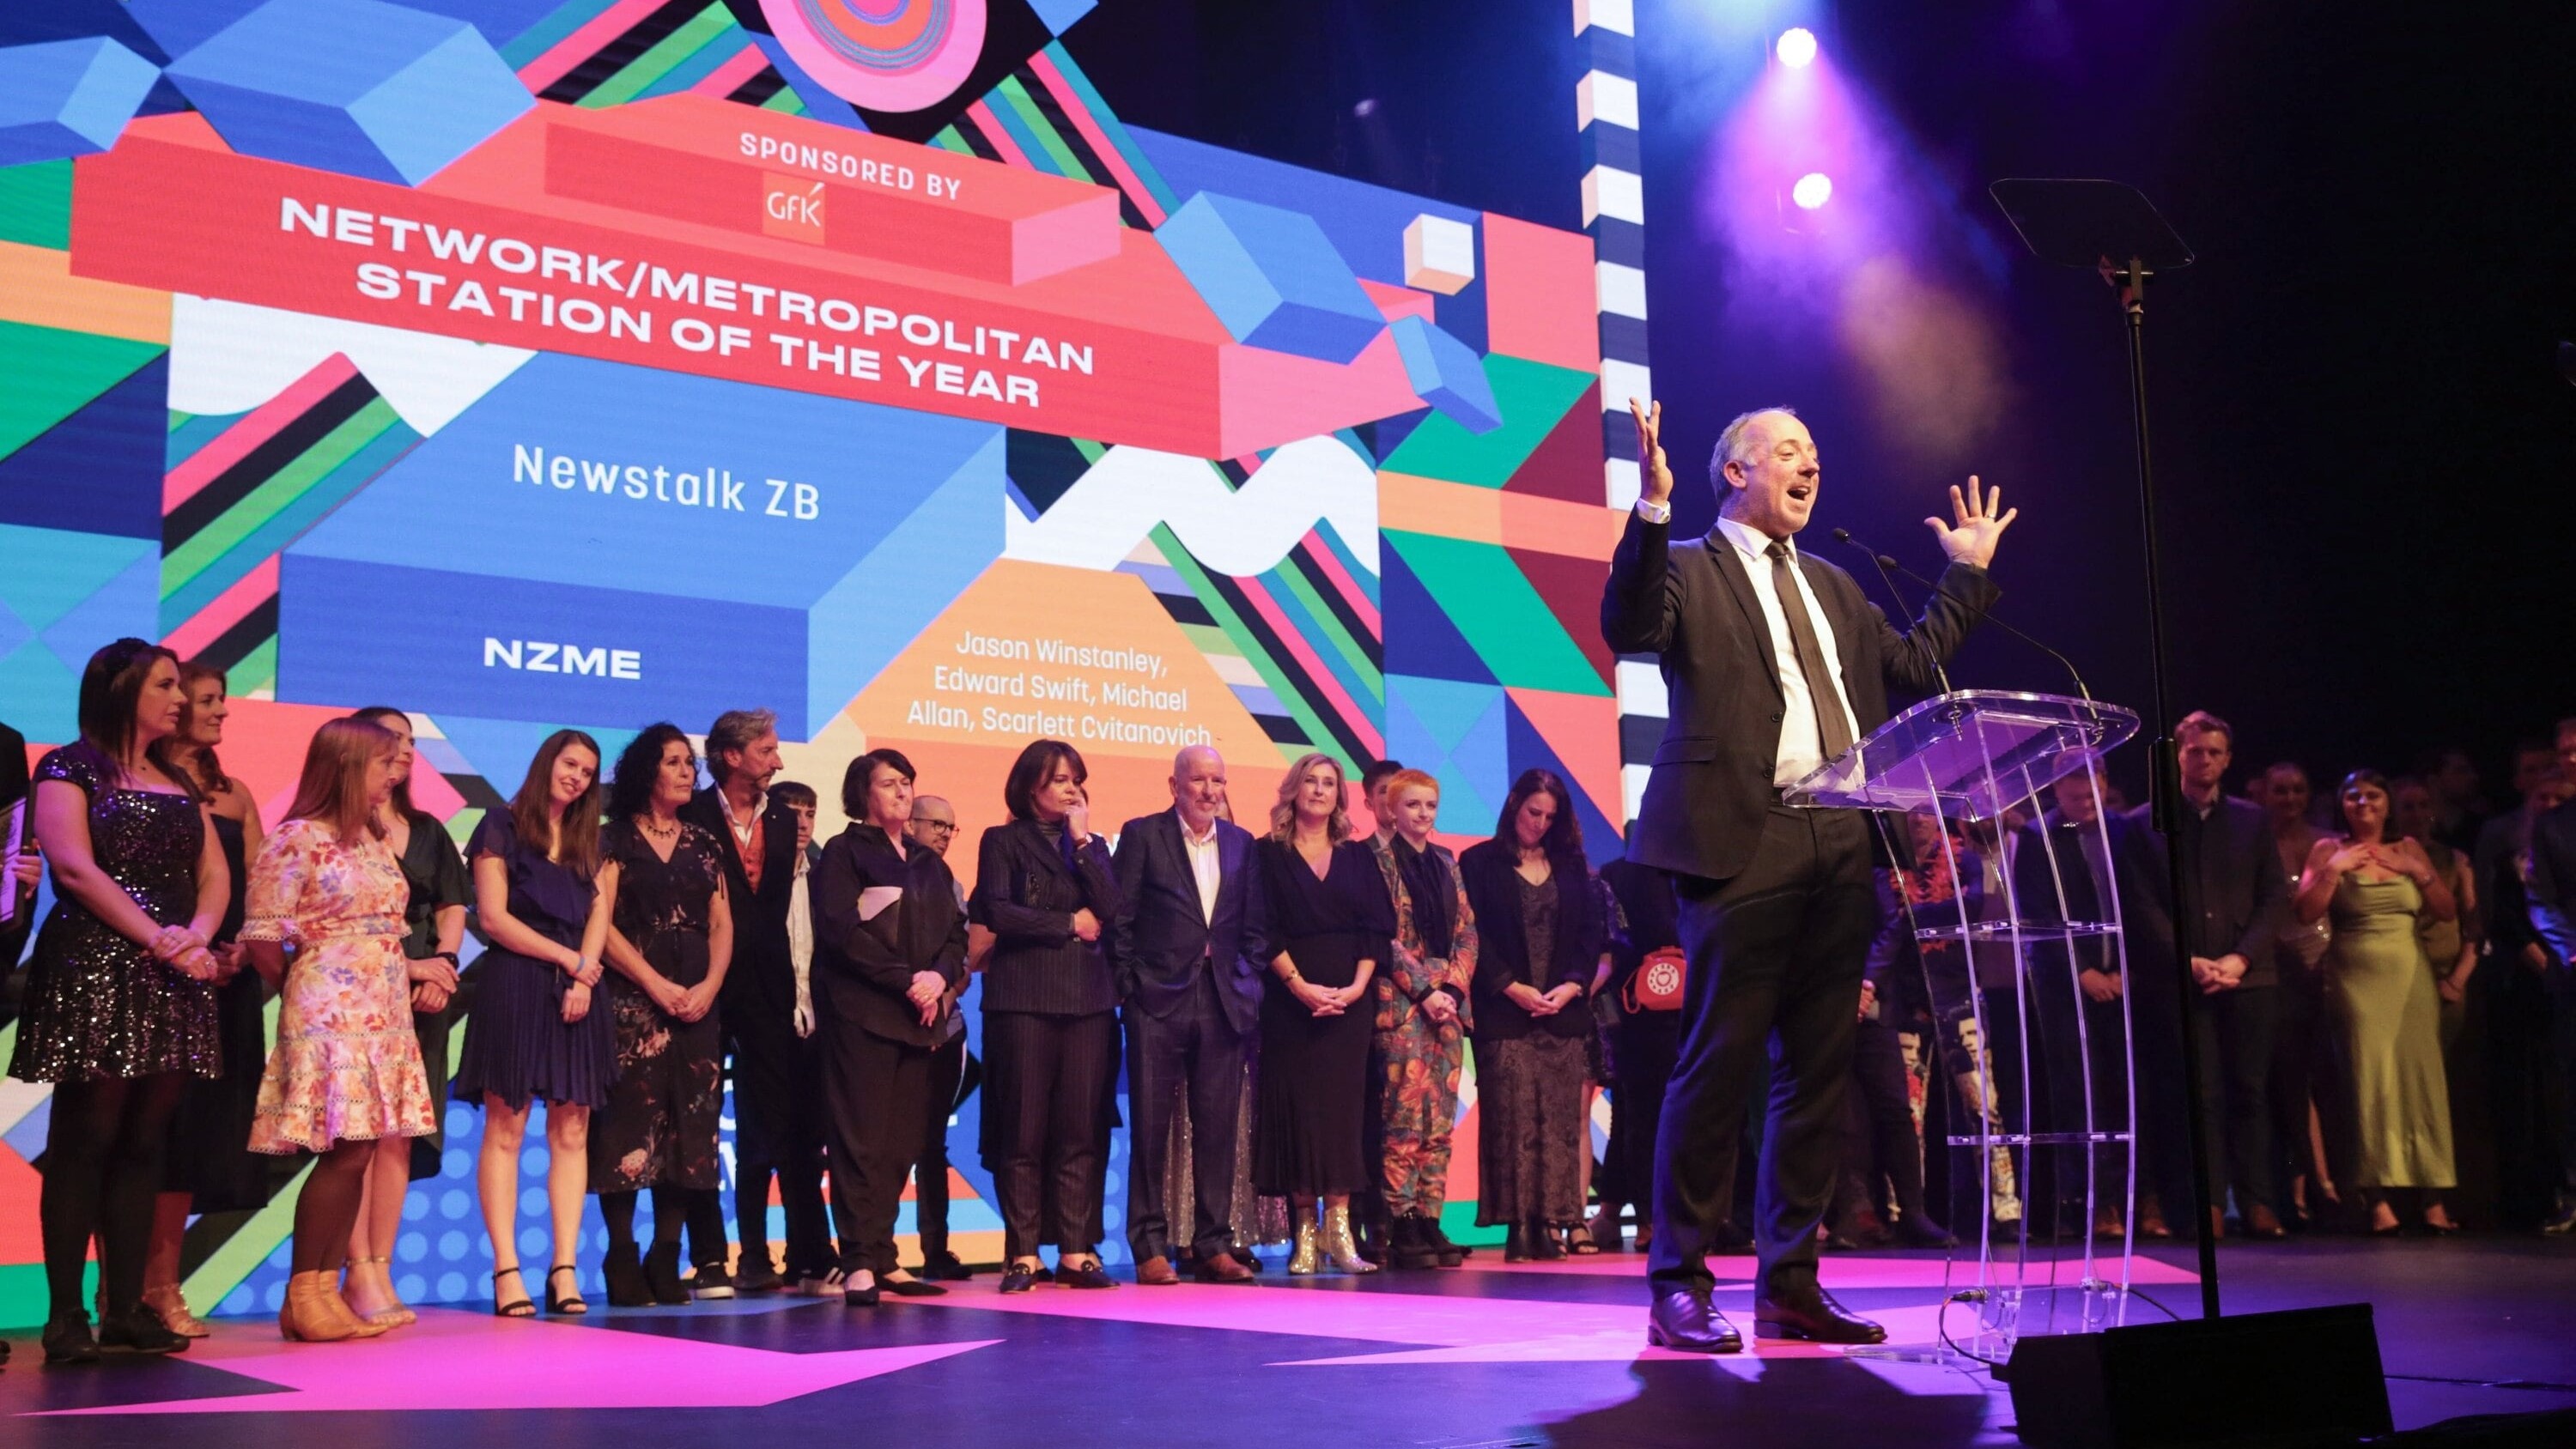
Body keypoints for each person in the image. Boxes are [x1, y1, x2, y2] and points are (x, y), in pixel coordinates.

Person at [1603, 401, 2004, 1351]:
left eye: (1814, 454)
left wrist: (1968, 574)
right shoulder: (1692, 567)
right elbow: (1628, 625)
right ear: (1733, 471)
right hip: (1742, 841)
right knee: (1717, 1067)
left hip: (1841, 841)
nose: (1808, 464)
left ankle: (1790, 1280)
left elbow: (1910, 664)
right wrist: (1652, 510)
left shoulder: (1833, 583)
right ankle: (1680, 1283)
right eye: (1788, 451)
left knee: (1814, 1075)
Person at [11, 640, 225, 1364]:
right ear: (121, 689)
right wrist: (162, 940)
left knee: (145, 1143)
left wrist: (196, 936)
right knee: (85, 1139)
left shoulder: (175, 777)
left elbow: (214, 874)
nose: (180, 697)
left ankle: (127, 1307)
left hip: (172, 970)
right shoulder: (68, 765)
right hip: (95, 963)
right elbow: (71, 866)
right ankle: (66, 1314)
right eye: (166, 685)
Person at [243, 716, 438, 1341]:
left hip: (383, 1013)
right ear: (350, 766)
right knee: (342, 1149)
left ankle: (326, 1290)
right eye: (384, 763)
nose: (395, 774)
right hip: (330, 1013)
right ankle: (304, 1290)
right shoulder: (296, 839)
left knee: (361, 1150)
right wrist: (314, 987)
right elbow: (266, 940)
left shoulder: (373, 838)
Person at [451, 730, 616, 1317]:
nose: (578, 776)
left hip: (578, 988)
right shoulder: (500, 823)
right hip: (516, 984)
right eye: (570, 763)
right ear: (547, 761)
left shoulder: (588, 840)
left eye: (588, 771)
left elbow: (599, 911)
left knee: (572, 1133)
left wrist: (583, 975)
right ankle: (506, 1271)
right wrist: (569, 961)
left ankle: (565, 1270)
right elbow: (493, 919)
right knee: (507, 1129)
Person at [808, 750, 967, 1305]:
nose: (902, 792)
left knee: (901, 1144)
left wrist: (938, 979)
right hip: (863, 1017)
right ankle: (856, 1260)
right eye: (889, 783)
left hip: (920, 1021)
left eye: (907, 783)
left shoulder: (930, 864)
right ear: (863, 793)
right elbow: (840, 931)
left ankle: (884, 1256)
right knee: (860, 1142)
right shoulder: (845, 852)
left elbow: (956, 937)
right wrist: (908, 981)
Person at [140, 661, 270, 1339]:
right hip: (158, 976)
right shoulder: (137, 782)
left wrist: (242, 950)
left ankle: (162, 1286)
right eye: (210, 701)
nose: (223, 713)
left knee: (196, 1139)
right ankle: (126, 1289)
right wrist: (186, 951)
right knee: (148, 1135)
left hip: (227, 984)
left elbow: (259, 889)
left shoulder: (236, 793)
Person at [2128, 711, 2289, 1239]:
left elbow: (2272, 898)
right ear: (2178, 755)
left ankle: (2259, 1201)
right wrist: (2188, 959)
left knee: (2251, 1091)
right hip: (2183, 979)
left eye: (2215, 753)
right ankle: (2207, 1204)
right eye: (2195, 751)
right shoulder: (2145, 822)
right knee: (2199, 1095)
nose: (2205, 761)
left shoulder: (2251, 820)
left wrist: (2240, 958)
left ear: (2228, 760)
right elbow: (2143, 904)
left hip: (2249, 976)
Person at [1112, 745, 1267, 1284]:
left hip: (1223, 1000)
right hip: (1156, 1000)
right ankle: (1149, 1244)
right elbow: (1119, 919)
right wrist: (1131, 988)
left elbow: (1256, 927)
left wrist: (1246, 981)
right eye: (1198, 780)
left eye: (1217, 781)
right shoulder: (1142, 834)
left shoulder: (1242, 844)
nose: (1208, 790)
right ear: (1174, 785)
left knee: (1218, 1129)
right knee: (1151, 1129)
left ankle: (1213, 1243)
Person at [972, 739, 1122, 1292]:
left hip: (1088, 1003)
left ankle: (1078, 1250)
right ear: (1030, 785)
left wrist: (1082, 843)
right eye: (1059, 779)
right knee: (1023, 1130)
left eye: (1075, 779)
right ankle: (1023, 1253)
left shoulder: (1093, 846)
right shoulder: (1002, 840)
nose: (1070, 788)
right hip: (1024, 1001)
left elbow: (1111, 910)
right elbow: (997, 908)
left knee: (1079, 1129)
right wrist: (1066, 924)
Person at [591, 724, 733, 1306]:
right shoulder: (612, 839)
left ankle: (666, 1255)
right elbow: (600, 928)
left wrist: (708, 986)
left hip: (699, 1005)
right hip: (632, 1003)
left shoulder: (704, 841)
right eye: (673, 762)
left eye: (688, 763)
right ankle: (621, 1254)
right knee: (628, 1125)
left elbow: (722, 923)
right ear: (646, 770)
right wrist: (652, 982)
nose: (686, 772)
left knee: (690, 1129)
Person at [340, 705, 466, 1328]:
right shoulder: (332, 826)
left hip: (426, 991)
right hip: (358, 990)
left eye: (412, 742)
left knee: (398, 1133)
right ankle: (352, 1266)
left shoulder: (427, 829)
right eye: (392, 740)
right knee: (354, 1133)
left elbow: (453, 905)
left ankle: (381, 1267)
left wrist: (442, 965)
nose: (405, 751)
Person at [2295, 769, 2458, 1234]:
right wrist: (2332, 872)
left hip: (2410, 974)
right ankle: (2378, 1199)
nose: (2363, 803)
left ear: (2388, 803)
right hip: (2355, 976)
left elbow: (2446, 911)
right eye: (2353, 796)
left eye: (2373, 795)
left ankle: (2433, 1199)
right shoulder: (2329, 849)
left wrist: (2421, 873)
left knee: (2420, 1080)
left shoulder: (2408, 848)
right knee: (2370, 1080)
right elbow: (2305, 913)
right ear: (2342, 805)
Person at [1255, 751, 1396, 1273]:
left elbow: (1376, 928)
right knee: (1296, 1112)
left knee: (1340, 1114)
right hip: (1290, 1001)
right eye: (1310, 781)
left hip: (1349, 1002)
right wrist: (1299, 986)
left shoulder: (1358, 856)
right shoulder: (1265, 853)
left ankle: (1340, 1232)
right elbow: (1261, 926)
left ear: (1340, 796)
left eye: (1329, 783)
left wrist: (1356, 988)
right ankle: (1304, 1237)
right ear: (1293, 789)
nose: (1319, 790)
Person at [681, 708, 805, 1295]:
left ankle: (779, 1253)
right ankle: (707, 1256)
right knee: (696, 1119)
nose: (778, 761)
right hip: (702, 981)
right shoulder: (691, 815)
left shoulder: (784, 819)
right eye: (767, 751)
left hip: (770, 985)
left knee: (775, 1121)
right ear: (731, 756)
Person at [1460, 769, 1602, 1262]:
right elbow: (1473, 936)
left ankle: (1552, 1223)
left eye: (1549, 817)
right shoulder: (1478, 862)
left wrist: (1572, 986)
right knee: (1510, 1123)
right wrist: (1512, 988)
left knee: (1560, 1124)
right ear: (1513, 805)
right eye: (1532, 813)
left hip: (1563, 1015)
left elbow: (1590, 935)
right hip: (1505, 1015)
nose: (1539, 824)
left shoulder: (1572, 865)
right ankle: (1518, 1228)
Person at [1364, 768, 1476, 1270]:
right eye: (1412, 806)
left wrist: (1452, 986)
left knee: (1440, 1122)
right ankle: (1398, 1219)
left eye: (1430, 806)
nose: (1423, 815)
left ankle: (1430, 1216)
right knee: (1403, 1118)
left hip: (1448, 1006)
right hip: (1405, 1004)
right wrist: (1427, 991)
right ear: (1391, 808)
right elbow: (1381, 937)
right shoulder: (1371, 859)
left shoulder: (1447, 862)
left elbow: (1468, 932)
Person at [2257, 762, 2338, 1226]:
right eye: (2280, 790)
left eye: (2298, 790)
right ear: (2264, 793)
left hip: (2325, 968)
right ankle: (2298, 1185)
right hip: (2278, 969)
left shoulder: (2326, 841)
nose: (2289, 798)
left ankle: (2325, 1182)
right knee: (2287, 1085)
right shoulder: (2256, 838)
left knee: (2321, 1081)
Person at [904, 792, 981, 1282]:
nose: (945, 835)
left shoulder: (951, 884)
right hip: (893, 1028)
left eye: (952, 828)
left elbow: (964, 959)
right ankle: (872, 1253)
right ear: (909, 823)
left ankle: (937, 1247)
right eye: (937, 825)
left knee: (933, 1142)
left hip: (945, 1030)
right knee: (890, 1145)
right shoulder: (886, 871)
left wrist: (943, 1003)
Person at [1596, 853, 1683, 1253]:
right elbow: (1611, 943)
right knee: (1641, 1116)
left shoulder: (1699, 867)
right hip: (1639, 1014)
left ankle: (1699, 1217)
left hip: (1694, 1008)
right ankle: (1648, 1218)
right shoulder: (1619, 873)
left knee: (1684, 1117)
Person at [2513, 770, 2576, 1233]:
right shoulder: (2554, 826)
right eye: (2568, 750)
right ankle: (2573, 1194)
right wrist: (2572, 948)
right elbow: (2540, 899)